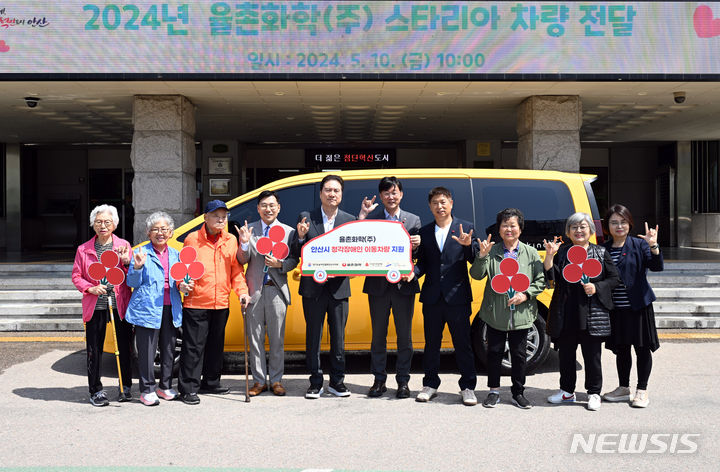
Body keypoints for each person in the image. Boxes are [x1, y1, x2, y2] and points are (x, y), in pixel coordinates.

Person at [469, 208, 545, 409]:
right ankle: (493, 391)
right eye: (504, 225)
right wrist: (482, 257)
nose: (508, 229)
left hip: (522, 314)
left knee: (519, 356)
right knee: (493, 353)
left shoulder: (530, 253)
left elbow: (540, 280)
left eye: (513, 225)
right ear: (499, 229)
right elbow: (477, 275)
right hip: (495, 314)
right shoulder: (491, 251)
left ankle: (518, 393)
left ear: (520, 228)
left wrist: (525, 294)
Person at [543, 212, 620, 411]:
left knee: (592, 356)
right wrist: (549, 256)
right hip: (566, 312)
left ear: (590, 231)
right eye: (574, 227)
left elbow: (614, 279)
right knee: (566, 356)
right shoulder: (562, 252)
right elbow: (552, 279)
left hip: (592, 313)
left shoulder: (601, 253)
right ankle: (567, 391)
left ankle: (593, 393)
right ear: (568, 232)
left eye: (583, 226)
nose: (579, 230)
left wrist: (597, 287)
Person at [178, 200, 250, 405]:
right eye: (216, 215)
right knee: (193, 347)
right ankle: (188, 388)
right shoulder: (192, 239)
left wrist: (242, 292)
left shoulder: (231, 240)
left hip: (221, 302)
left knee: (215, 346)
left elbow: (236, 271)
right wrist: (181, 284)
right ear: (205, 218)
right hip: (197, 302)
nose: (221, 219)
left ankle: (211, 381)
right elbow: (183, 269)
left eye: (224, 216)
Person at [413, 187, 479, 406]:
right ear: (430, 206)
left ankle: (468, 387)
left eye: (443, 202)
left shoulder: (466, 228)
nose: (439, 206)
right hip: (432, 297)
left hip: (457, 296)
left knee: (463, 344)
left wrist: (469, 246)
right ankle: (430, 384)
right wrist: (412, 273)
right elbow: (422, 263)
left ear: (451, 202)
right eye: (435, 203)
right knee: (431, 344)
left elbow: (474, 260)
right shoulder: (424, 232)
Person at [357, 176, 422, 399]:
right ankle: (378, 380)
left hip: (404, 287)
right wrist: (362, 217)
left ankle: (403, 382)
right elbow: (359, 244)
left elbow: (421, 258)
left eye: (394, 192)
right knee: (378, 336)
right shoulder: (372, 218)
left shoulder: (413, 220)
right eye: (386, 193)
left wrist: (416, 258)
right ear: (381, 196)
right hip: (378, 286)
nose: (390, 197)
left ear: (401, 194)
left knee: (405, 337)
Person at [293, 174, 356, 399]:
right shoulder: (306, 217)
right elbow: (296, 250)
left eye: (336, 190)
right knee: (314, 336)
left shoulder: (350, 220)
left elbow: (355, 252)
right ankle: (315, 382)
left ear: (341, 194)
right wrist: (300, 237)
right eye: (328, 190)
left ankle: (337, 382)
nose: (332, 194)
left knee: (339, 338)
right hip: (313, 288)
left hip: (339, 287)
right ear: (320, 193)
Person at [236, 190, 299, 397]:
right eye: (264, 205)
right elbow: (242, 260)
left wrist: (281, 264)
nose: (268, 209)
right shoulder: (250, 230)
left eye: (272, 205)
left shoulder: (289, 232)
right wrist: (244, 243)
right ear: (258, 208)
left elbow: (294, 261)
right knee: (254, 339)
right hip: (254, 291)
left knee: (277, 339)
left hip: (276, 290)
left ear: (278, 208)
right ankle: (259, 381)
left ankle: (277, 380)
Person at [126, 212, 191, 406]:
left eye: (164, 229)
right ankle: (147, 390)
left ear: (171, 232)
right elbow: (131, 282)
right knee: (146, 351)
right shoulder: (140, 252)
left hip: (171, 307)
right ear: (147, 232)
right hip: (147, 308)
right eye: (155, 229)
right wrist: (137, 268)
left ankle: (165, 386)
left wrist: (183, 286)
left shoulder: (176, 254)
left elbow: (180, 280)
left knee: (169, 349)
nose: (159, 233)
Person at [601, 204, 663, 408]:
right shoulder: (604, 249)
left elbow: (656, 266)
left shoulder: (639, 244)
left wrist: (653, 246)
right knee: (622, 350)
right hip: (617, 310)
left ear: (629, 223)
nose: (619, 226)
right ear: (607, 226)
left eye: (623, 222)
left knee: (642, 349)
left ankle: (642, 390)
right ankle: (623, 388)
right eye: (614, 222)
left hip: (638, 307)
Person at [71, 204, 133, 407]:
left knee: (123, 346)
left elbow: (131, 274)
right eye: (98, 222)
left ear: (114, 224)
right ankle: (96, 390)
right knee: (94, 349)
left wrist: (125, 262)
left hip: (118, 303)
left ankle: (125, 387)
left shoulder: (123, 245)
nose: (103, 226)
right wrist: (90, 288)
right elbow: (76, 276)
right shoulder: (84, 249)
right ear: (93, 224)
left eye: (107, 222)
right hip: (95, 304)